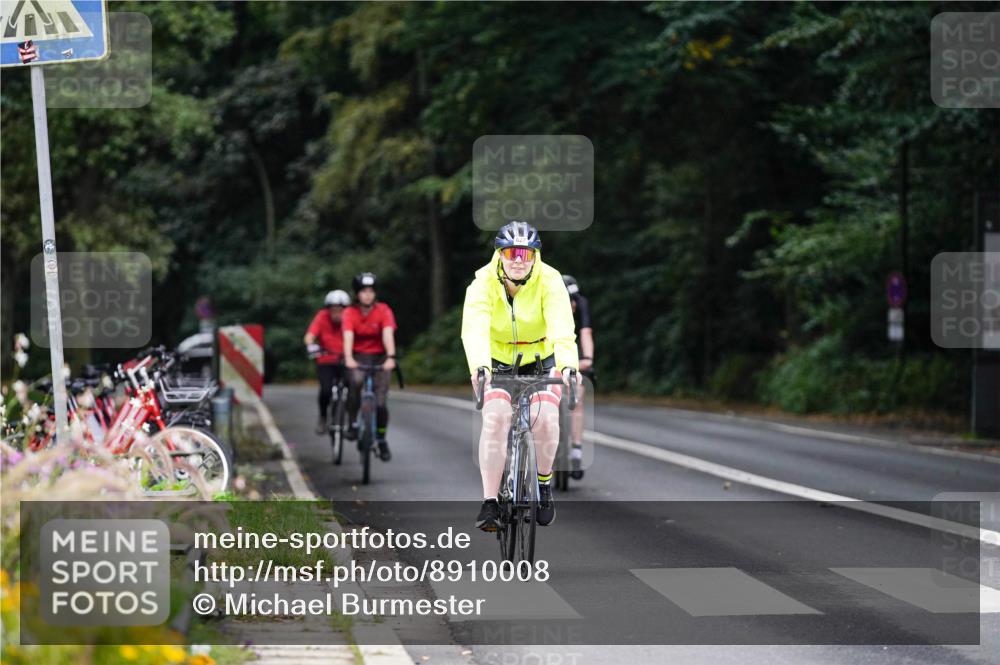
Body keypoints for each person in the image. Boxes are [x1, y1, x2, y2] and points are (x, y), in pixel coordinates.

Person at [461, 221, 578, 531]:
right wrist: (479, 367)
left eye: (526, 254)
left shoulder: (551, 281)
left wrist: (568, 366)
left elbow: (562, 329)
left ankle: (543, 484)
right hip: (497, 361)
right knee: (496, 418)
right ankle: (489, 503)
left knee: (547, 420)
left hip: (541, 359)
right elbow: (474, 329)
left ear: (535, 257)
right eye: (511, 252)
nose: (517, 259)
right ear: (499, 254)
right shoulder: (482, 283)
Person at [343, 272, 398, 461]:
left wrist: (390, 357)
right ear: (357, 294)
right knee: (356, 382)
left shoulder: (383, 310)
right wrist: (349, 357)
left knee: (381, 403)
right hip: (358, 357)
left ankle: (381, 438)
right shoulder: (349, 312)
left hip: (380, 358)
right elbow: (348, 336)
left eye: (371, 291)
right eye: (363, 291)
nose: (367, 295)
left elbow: (387, 334)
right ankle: (352, 423)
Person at [304, 289, 351, 434]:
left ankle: (351, 419)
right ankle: (323, 416)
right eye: (333, 310)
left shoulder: (351, 318)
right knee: (325, 390)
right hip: (326, 359)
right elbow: (310, 336)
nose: (336, 313)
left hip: (347, 359)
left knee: (354, 387)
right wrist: (311, 345)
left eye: (340, 310)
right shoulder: (322, 317)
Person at [562, 275, 594, 480]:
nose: (572, 304)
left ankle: (576, 450)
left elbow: (585, 333)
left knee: (577, 397)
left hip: (574, 352)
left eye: (574, 299)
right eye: (568, 300)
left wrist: (588, 359)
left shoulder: (582, 304)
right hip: (552, 350)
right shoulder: (549, 303)